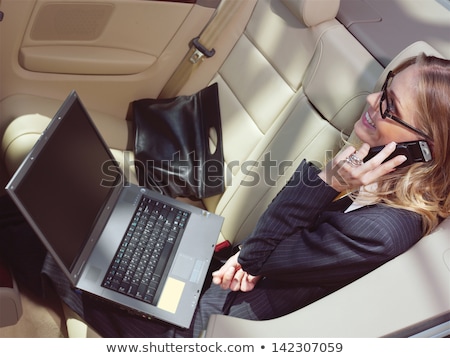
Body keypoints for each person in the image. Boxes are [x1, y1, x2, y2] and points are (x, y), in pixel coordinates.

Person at [1, 53, 449, 337]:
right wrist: (246, 258)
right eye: (384, 86)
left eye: (389, 107)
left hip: (203, 321)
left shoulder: (384, 229)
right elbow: (267, 255)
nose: (371, 100)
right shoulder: (375, 179)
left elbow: (264, 257)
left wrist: (327, 184)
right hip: (216, 275)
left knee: (42, 229)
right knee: (63, 205)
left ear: (423, 150)